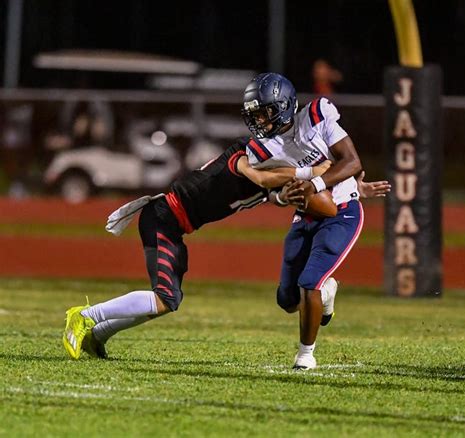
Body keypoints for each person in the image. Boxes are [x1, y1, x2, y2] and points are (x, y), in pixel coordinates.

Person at [62, 134, 389, 361]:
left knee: (168, 300)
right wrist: (311, 172)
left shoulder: (267, 175)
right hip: (163, 217)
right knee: (165, 297)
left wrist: (349, 185)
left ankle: (98, 336)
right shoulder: (241, 160)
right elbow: (263, 181)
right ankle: (85, 317)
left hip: (174, 225)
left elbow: (277, 191)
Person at [241, 72, 370, 369]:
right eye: (255, 115)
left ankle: (305, 355)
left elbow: (352, 162)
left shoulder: (315, 117)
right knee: (287, 299)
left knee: (309, 282)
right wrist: (286, 196)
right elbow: (270, 194)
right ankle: (327, 294)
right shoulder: (260, 151)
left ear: (285, 105)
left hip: (341, 210)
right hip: (305, 215)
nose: (260, 120)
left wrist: (317, 184)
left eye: (265, 112)